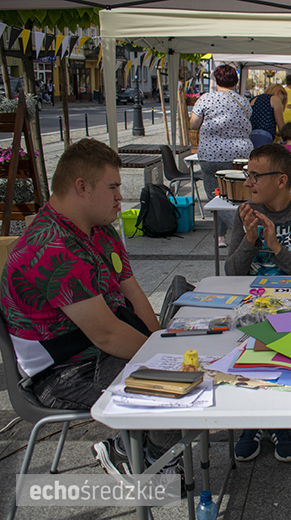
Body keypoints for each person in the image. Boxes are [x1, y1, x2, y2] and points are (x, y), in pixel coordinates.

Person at [0, 138, 179, 478]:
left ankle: (145, 450)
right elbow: (107, 335)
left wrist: (163, 343)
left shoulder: (100, 231)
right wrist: (168, 361)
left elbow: (134, 294)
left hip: (96, 353)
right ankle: (134, 453)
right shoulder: (51, 246)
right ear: (81, 187)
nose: (119, 196)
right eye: (112, 187)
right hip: (63, 374)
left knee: (184, 379)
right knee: (177, 392)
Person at [225, 143, 291, 463]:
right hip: (250, 304)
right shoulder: (244, 213)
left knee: (289, 353)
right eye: (247, 175)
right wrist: (250, 240)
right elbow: (232, 273)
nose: (248, 182)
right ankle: (252, 421)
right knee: (246, 345)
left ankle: (281, 423)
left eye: (255, 176)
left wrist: (277, 248)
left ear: (281, 180)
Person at [190, 64, 253, 248]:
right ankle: (221, 237)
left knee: (214, 197)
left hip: (212, 154)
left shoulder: (206, 99)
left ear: (216, 80)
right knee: (235, 195)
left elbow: (194, 124)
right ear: (236, 81)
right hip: (241, 154)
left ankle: (238, 229)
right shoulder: (244, 101)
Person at [249, 83, 287, 148]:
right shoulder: (275, 99)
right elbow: (282, 127)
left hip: (250, 135)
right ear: (279, 92)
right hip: (264, 137)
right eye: (282, 99)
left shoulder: (253, 99)